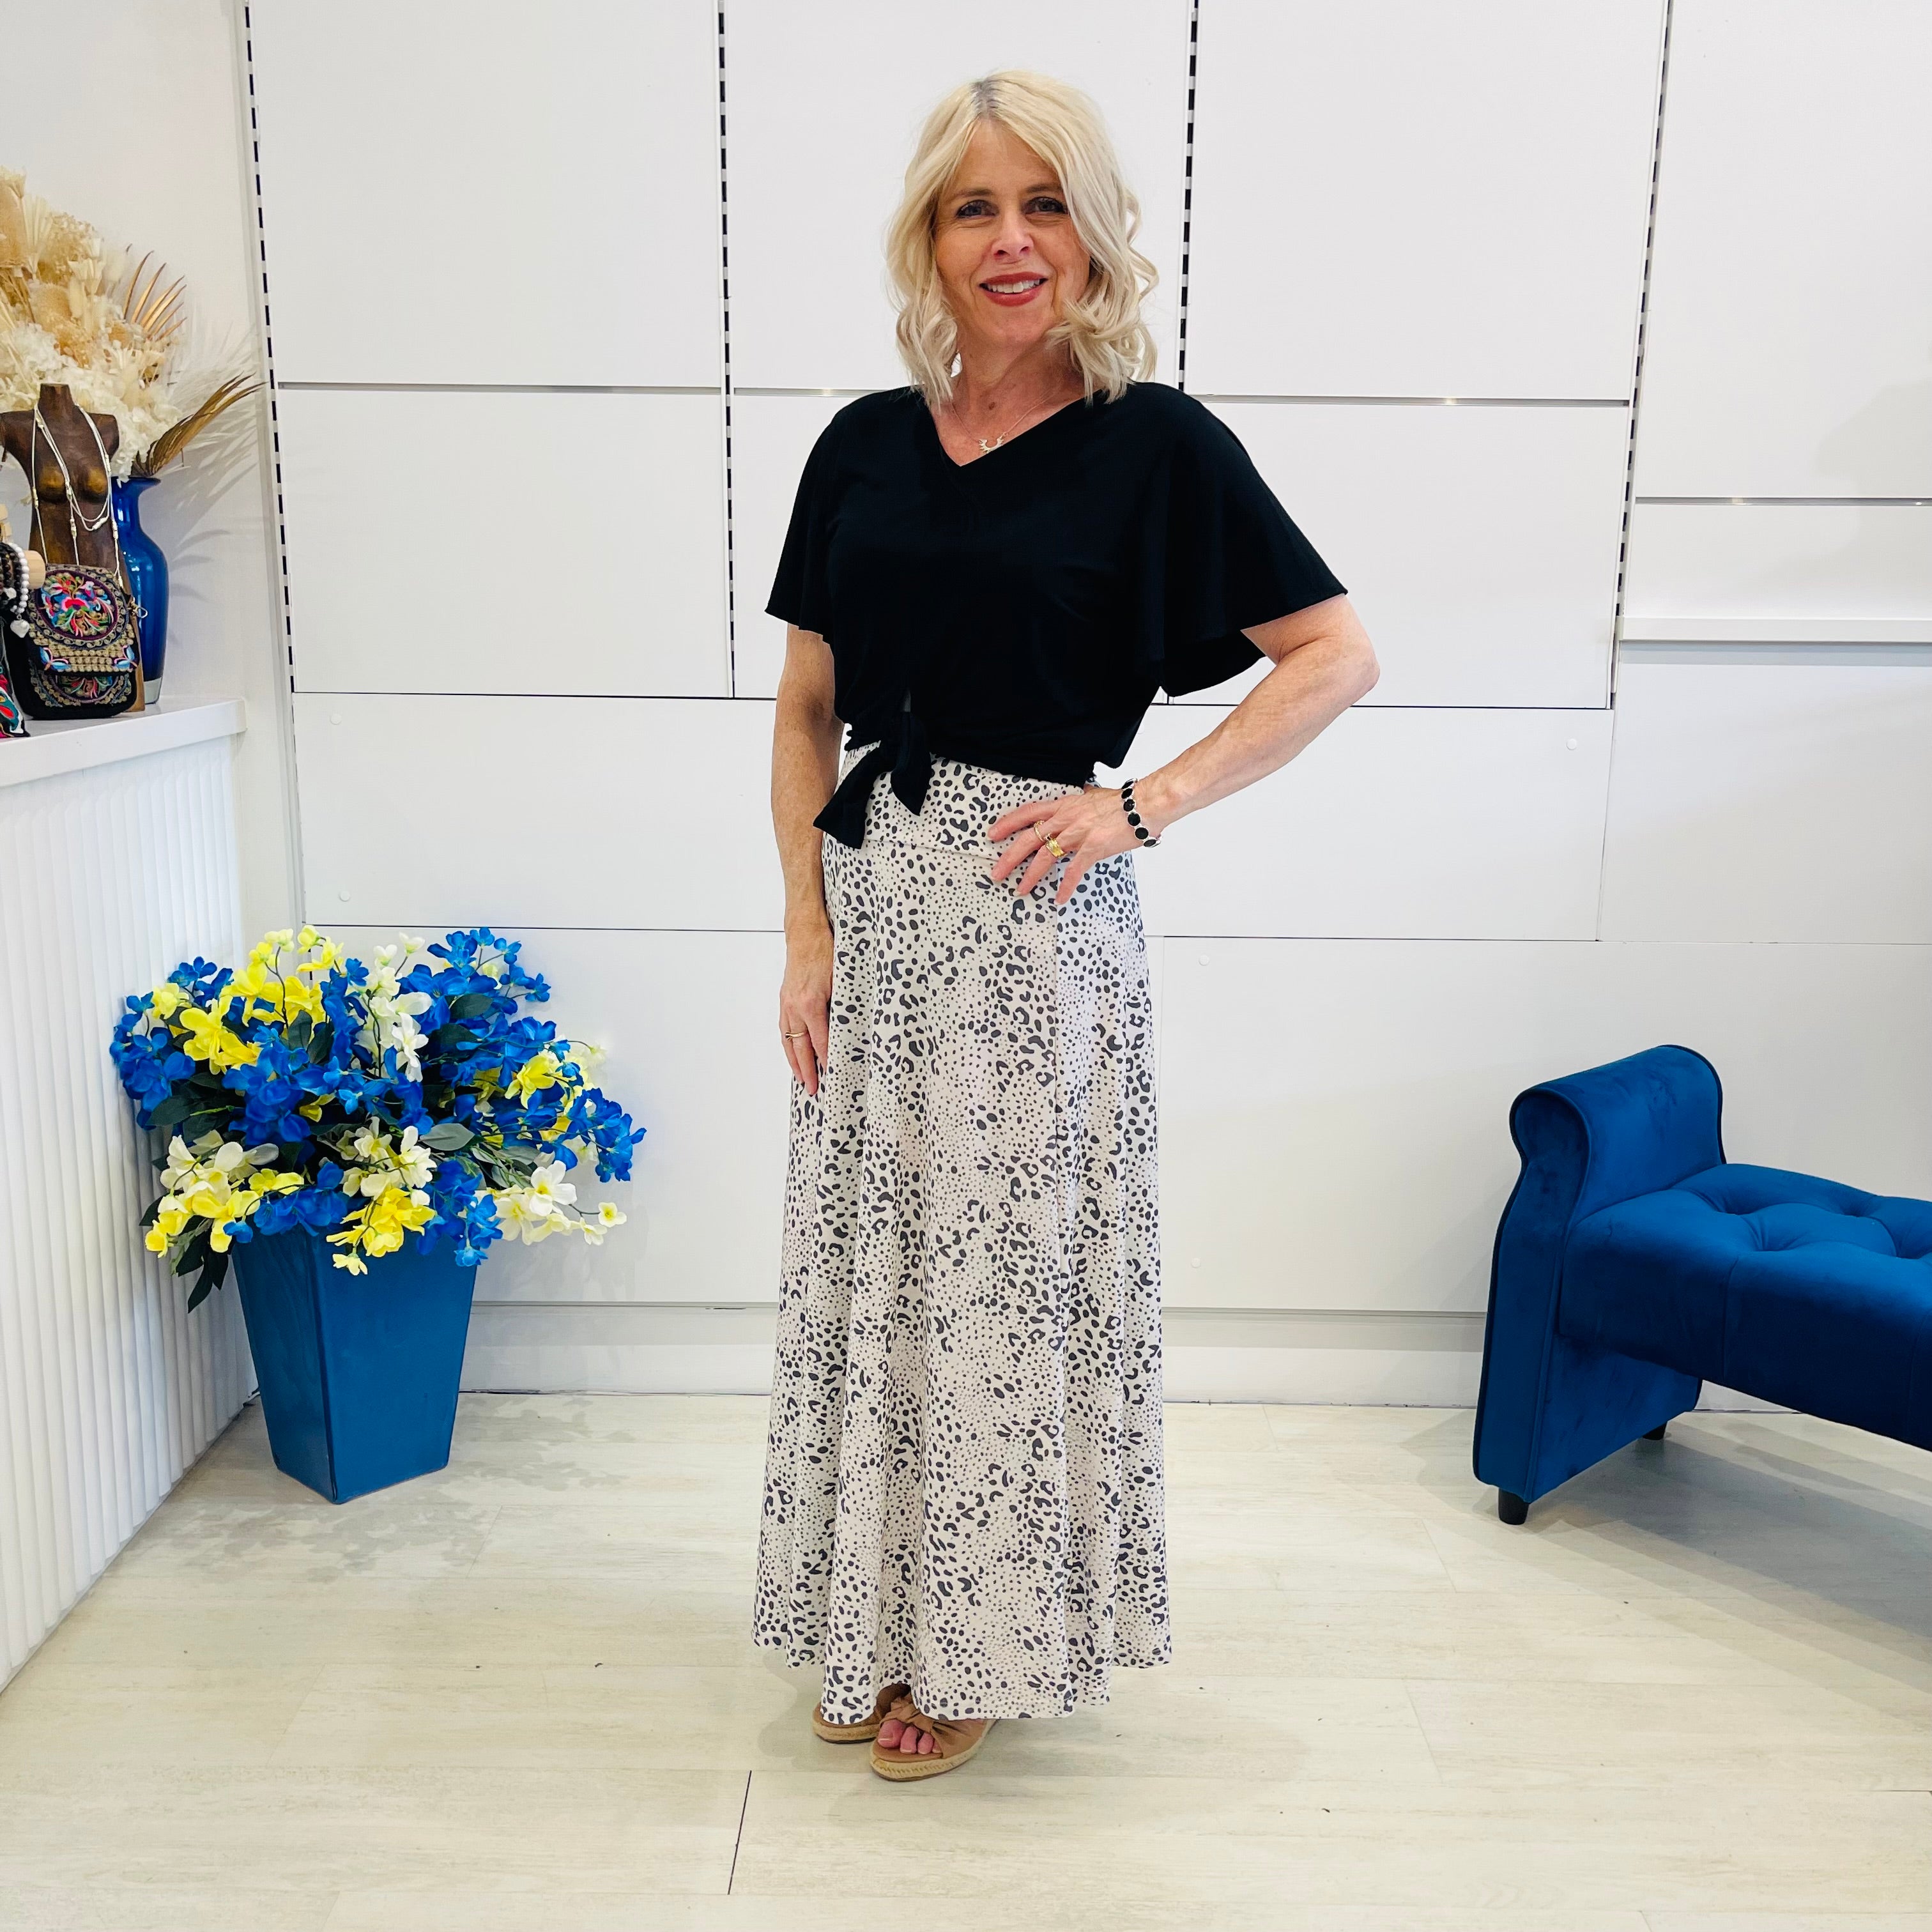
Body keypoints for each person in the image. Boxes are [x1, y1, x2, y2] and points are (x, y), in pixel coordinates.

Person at [755, 70, 1378, 1782]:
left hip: (1037, 925)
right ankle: (864, 1617)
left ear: (1092, 238)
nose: (1010, 239)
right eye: (974, 207)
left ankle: (979, 1642)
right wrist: (805, 934)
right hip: (876, 904)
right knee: (875, 1275)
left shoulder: (1156, 446)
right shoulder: (864, 448)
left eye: (1044, 205)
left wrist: (1142, 802)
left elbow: (1334, 653)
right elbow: (807, 711)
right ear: (930, 242)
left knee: (1005, 1294)